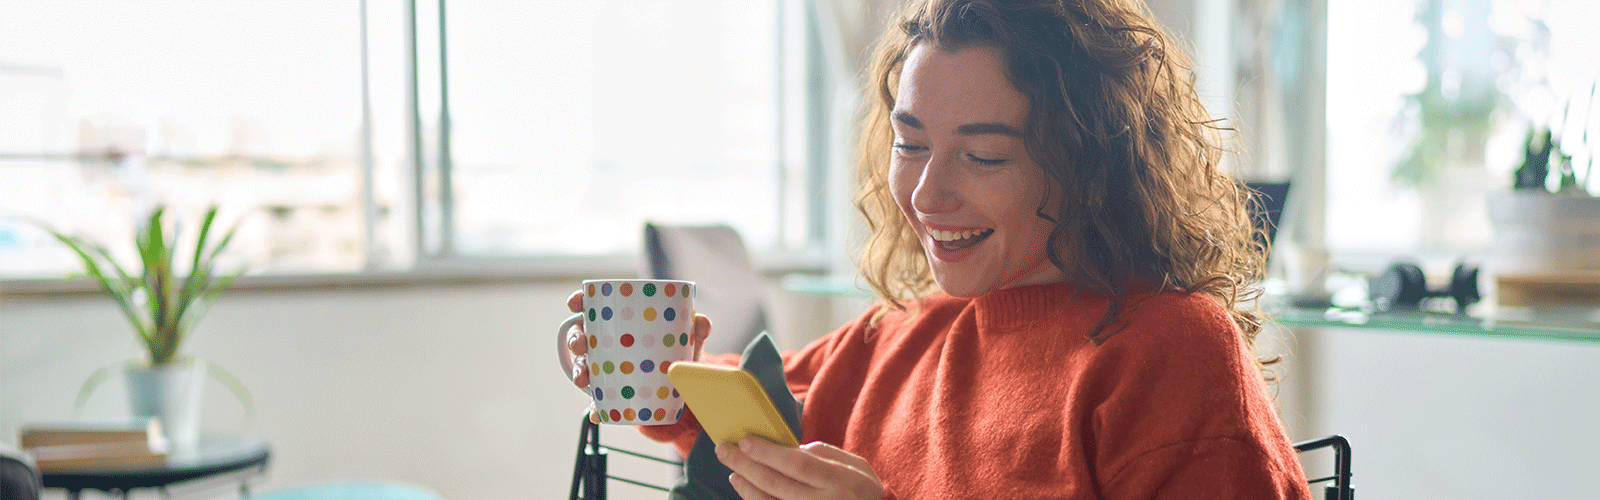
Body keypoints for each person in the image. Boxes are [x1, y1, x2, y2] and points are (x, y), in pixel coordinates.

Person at [564, 0, 1313, 497]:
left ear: (1091, 162)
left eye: (983, 157)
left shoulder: (1168, 351)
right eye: (910, 144)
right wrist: (634, 367)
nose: (926, 195)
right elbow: (739, 409)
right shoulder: (897, 337)